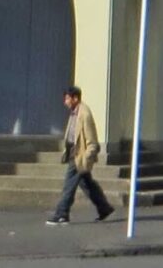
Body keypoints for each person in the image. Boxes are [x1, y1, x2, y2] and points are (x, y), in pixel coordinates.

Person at [46, 86, 114, 225]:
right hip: (73, 153)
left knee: (69, 185)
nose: (65, 102)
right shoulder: (74, 113)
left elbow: (92, 140)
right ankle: (104, 208)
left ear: (75, 98)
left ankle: (62, 214)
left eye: (67, 98)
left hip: (79, 156)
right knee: (87, 184)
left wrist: (87, 157)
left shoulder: (84, 114)